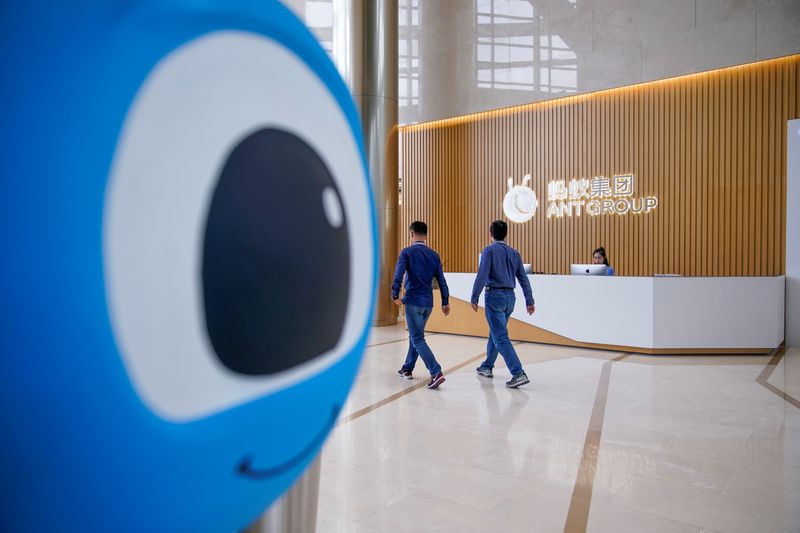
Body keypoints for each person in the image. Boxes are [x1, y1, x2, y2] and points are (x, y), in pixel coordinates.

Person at [470, 220, 535, 389]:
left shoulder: (489, 251)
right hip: (510, 299)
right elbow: (523, 278)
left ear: (490, 233)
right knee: (496, 332)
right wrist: (529, 300)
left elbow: (482, 275)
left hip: (494, 296)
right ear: (506, 233)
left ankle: (518, 373)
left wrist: (474, 296)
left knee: (500, 336)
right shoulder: (514, 253)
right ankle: (487, 366)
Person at [391, 221, 450, 389]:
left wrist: (395, 294)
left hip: (413, 302)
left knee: (417, 338)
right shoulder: (434, 255)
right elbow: (441, 281)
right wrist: (445, 301)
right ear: (426, 234)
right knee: (415, 337)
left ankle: (436, 372)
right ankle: (407, 368)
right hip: (428, 304)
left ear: (412, 234)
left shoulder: (407, 252)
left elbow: (398, 274)